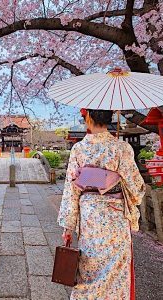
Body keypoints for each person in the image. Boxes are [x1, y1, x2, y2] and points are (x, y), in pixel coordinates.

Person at [58, 109, 146, 300]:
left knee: (89, 272)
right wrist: (117, 182)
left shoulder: (79, 149)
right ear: (110, 117)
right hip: (116, 219)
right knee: (116, 275)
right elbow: (137, 188)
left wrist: (68, 226)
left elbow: (71, 190)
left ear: (88, 117)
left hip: (90, 219)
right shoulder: (121, 148)